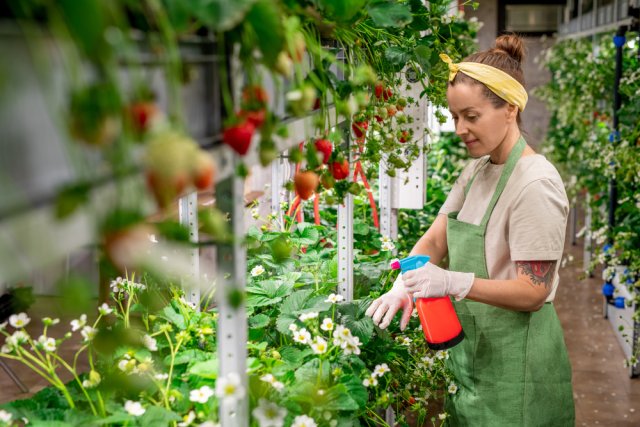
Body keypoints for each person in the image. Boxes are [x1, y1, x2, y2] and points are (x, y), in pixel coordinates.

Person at [365, 34, 575, 426]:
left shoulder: (534, 184)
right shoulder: (477, 170)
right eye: (455, 116)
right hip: (475, 355)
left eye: (472, 116)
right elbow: (435, 238)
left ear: (510, 108)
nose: (460, 128)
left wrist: (453, 283)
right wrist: (406, 281)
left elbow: (534, 291)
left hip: (518, 371)